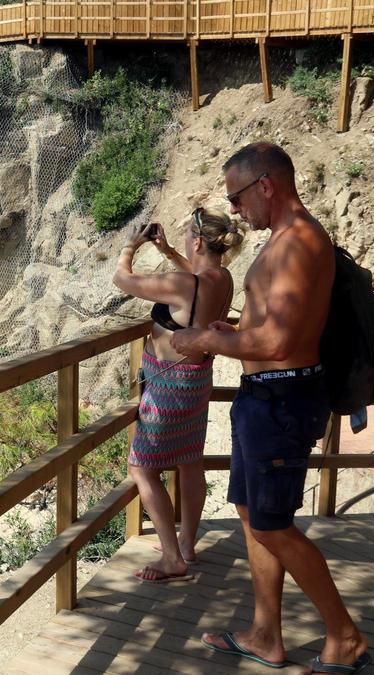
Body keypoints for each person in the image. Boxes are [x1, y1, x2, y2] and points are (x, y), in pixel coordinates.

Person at [171, 142, 371, 674]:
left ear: (266, 185)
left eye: (237, 196)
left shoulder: (298, 242)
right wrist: (234, 330)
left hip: (282, 398)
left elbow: (280, 344)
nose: (234, 210)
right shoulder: (285, 240)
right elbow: (277, 329)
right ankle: (265, 634)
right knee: (252, 515)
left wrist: (205, 341)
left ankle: (345, 636)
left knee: (273, 525)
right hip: (265, 396)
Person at [113, 208, 242, 583]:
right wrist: (169, 252)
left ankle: (172, 558)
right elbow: (196, 279)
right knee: (189, 459)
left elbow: (122, 278)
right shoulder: (223, 278)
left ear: (198, 241)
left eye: (187, 235)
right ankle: (186, 542)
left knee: (141, 466)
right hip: (197, 378)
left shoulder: (183, 284)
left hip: (169, 383)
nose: (186, 239)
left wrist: (130, 245)